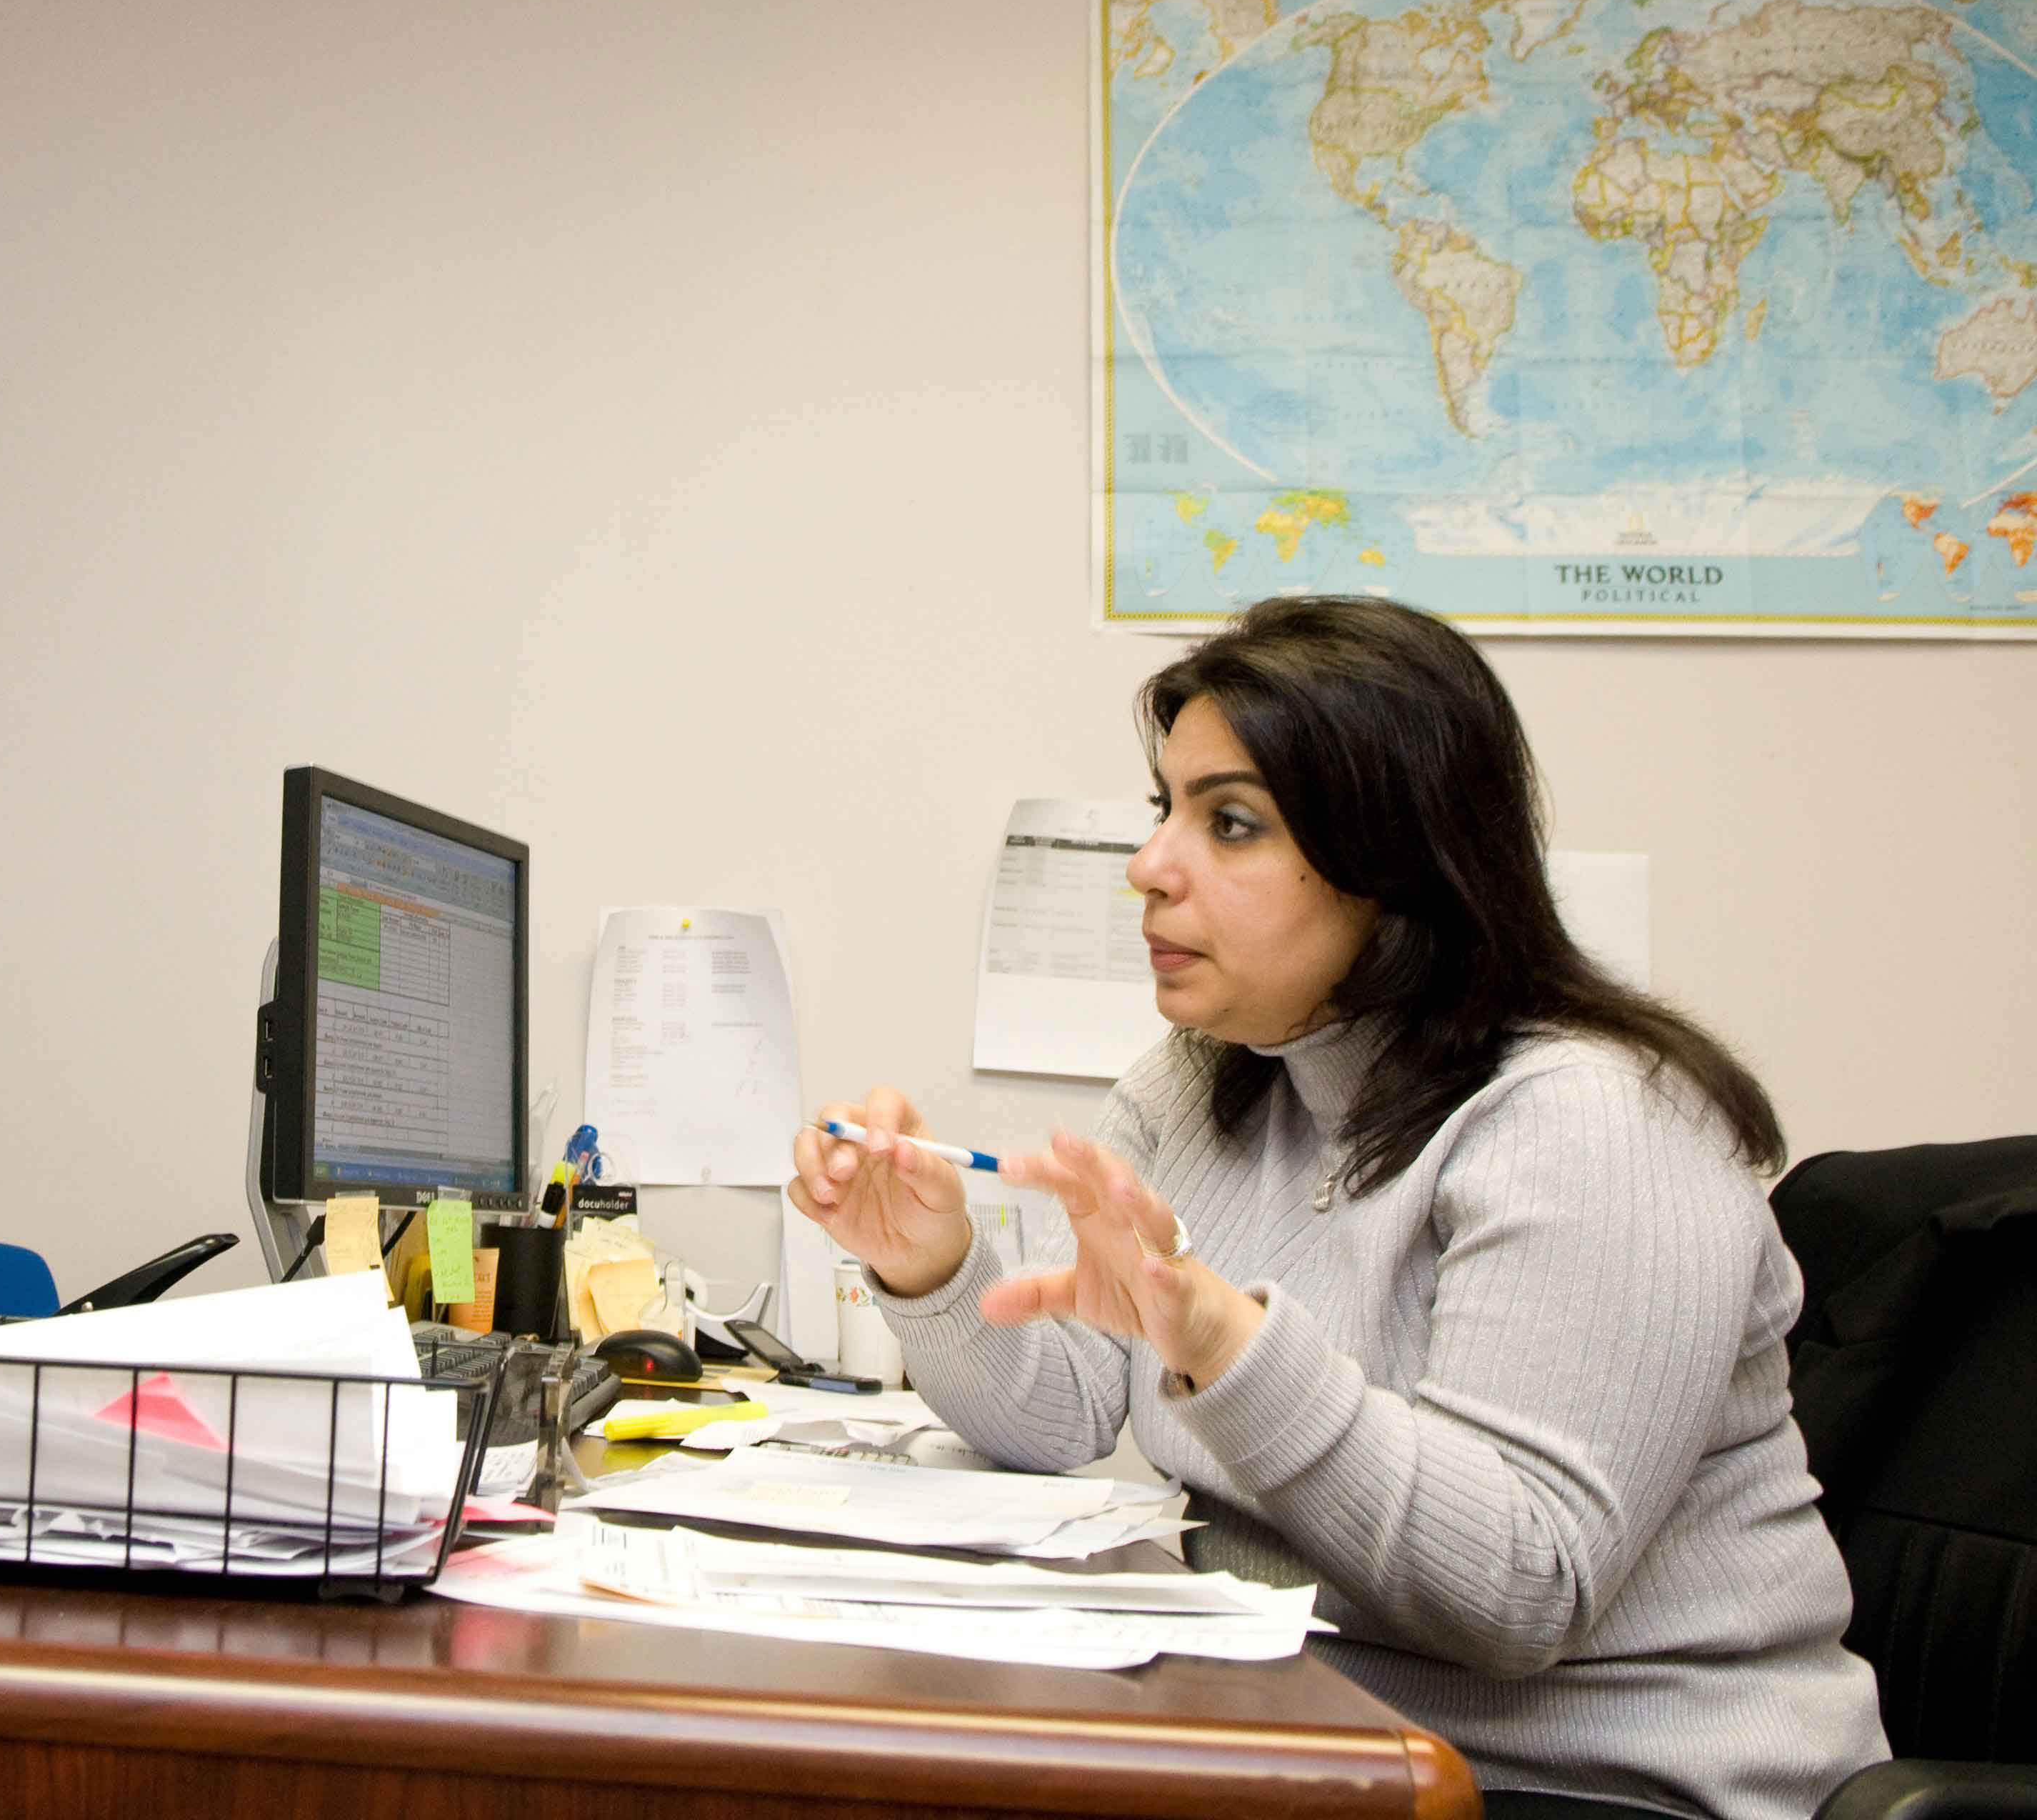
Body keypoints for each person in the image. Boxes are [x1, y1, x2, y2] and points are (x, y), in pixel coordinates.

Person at [791, 596, 1886, 1820]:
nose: (1150, 865)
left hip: (1607, 1788)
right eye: (1168, 809)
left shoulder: (1599, 1121)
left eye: (1233, 823)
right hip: (1308, 1742)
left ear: (1397, 865)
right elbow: (1064, 1414)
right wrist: (930, 1267)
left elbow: (1518, 1590)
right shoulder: (1202, 1084)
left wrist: (1228, 1349)